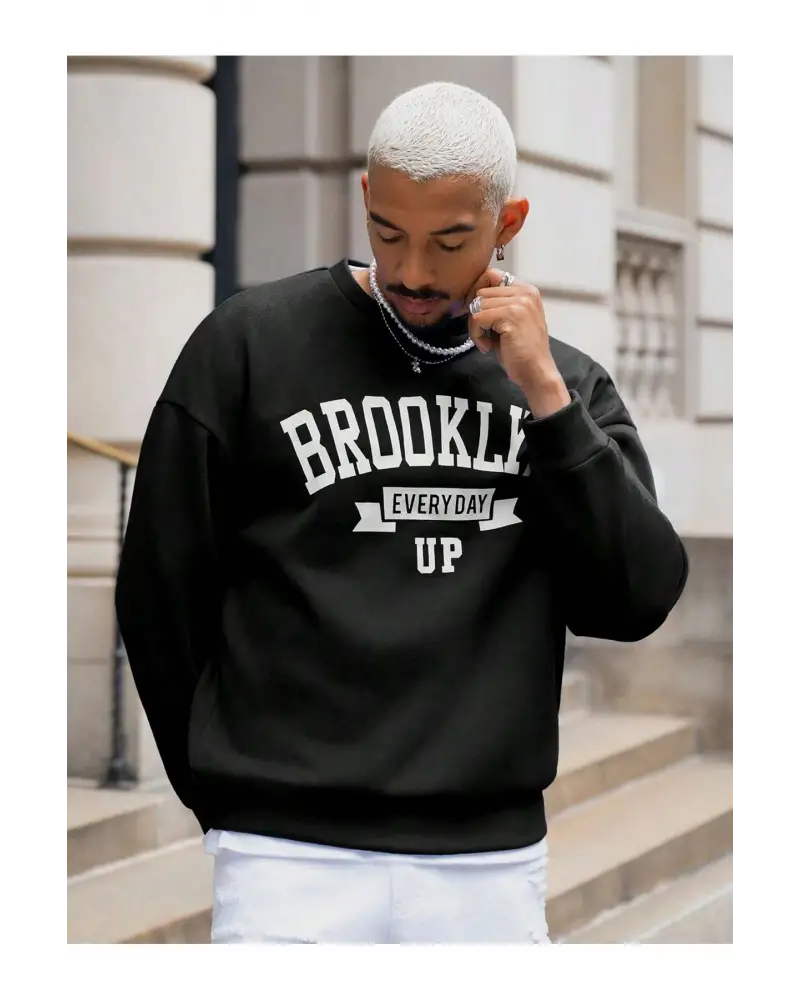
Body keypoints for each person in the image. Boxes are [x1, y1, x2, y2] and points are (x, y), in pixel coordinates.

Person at [115, 81, 689, 945]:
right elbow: (160, 591)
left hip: (486, 868)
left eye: (449, 241)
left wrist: (545, 398)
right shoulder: (248, 347)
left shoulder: (564, 388)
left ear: (507, 221)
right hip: (285, 860)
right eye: (388, 233)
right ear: (366, 198)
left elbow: (634, 598)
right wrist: (225, 795)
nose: (414, 270)